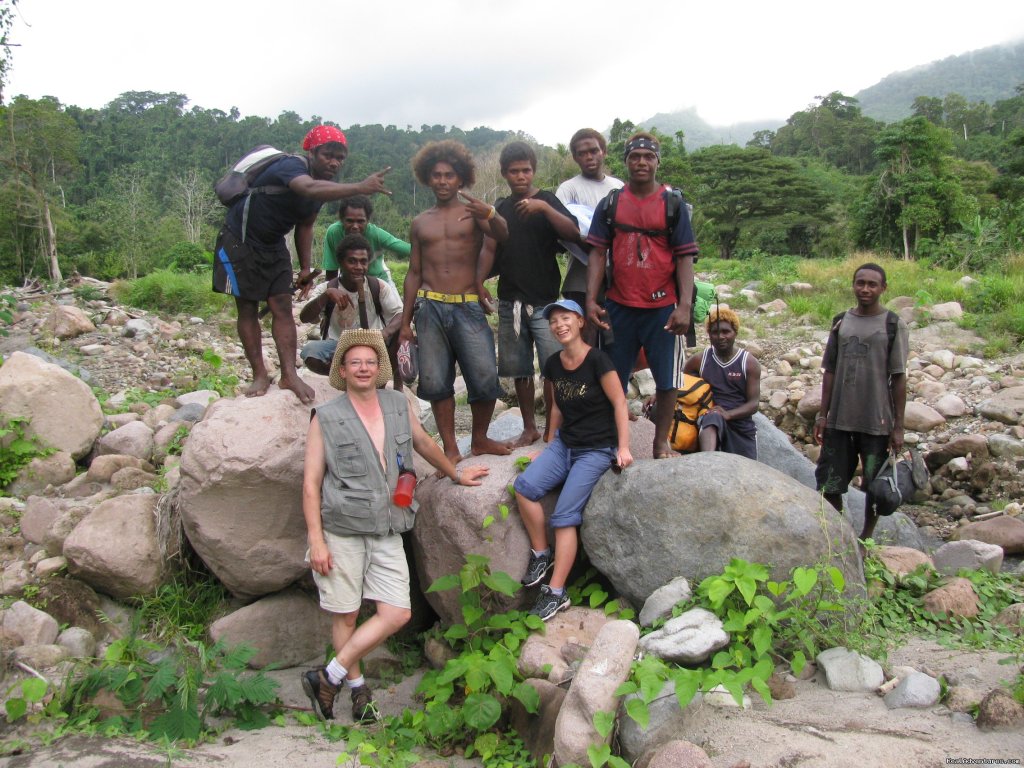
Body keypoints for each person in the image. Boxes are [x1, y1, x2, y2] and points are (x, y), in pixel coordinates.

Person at [301, 328, 488, 721]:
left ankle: (327, 675)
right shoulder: (326, 417)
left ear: (379, 368)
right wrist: (316, 541)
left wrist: (455, 474)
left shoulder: (396, 403)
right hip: (343, 529)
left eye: (370, 362)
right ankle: (356, 692)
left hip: (388, 526)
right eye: (356, 362)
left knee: (397, 612)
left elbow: (422, 443)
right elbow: (311, 484)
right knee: (346, 614)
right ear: (344, 370)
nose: (364, 368)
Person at [213, 125, 391, 404]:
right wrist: (360, 187)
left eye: (340, 158)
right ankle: (259, 374)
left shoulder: (320, 190)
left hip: (274, 246)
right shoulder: (291, 165)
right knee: (247, 306)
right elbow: (305, 187)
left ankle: (288, 374)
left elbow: (305, 226)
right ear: (312, 152)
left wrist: (305, 269)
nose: (334, 162)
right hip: (241, 241)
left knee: (282, 306)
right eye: (328, 155)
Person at [513, 299, 632, 620]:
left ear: (580, 322)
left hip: (596, 449)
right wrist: (550, 441)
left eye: (565, 318)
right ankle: (541, 552)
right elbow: (556, 406)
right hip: (565, 444)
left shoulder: (599, 361)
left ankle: (556, 591)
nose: (559, 325)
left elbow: (620, 403)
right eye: (553, 321)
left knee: (564, 515)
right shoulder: (553, 364)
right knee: (523, 487)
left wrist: (623, 447)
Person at [585, 132, 699, 458]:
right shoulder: (612, 204)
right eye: (635, 157)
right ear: (626, 161)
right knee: (612, 377)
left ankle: (660, 441)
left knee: (667, 379)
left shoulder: (672, 204)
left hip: (662, 308)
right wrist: (591, 300)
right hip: (619, 306)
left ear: (657, 161)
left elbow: (684, 257)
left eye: (648, 157)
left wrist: (685, 306)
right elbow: (596, 253)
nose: (641, 162)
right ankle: (612, 440)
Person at [399, 139, 511, 465]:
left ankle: (479, 439)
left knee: (485, 375)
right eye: (437, 175)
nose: (443, 181)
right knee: (435, 380)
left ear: (461, 178)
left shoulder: (474, 213)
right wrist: (405, 322)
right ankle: (450, 448)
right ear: (427, 178)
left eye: (449, 175)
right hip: (430, 306)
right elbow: (414, 272)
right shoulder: (421, 222)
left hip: (468, 304)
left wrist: (489, 211)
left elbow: (502, 233)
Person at [477, 141, 580, 446]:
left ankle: (553, 425)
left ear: (533, 171)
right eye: (514, 171)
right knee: (519, 368)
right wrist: (479, 281)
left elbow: (573, 232)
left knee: (552, 367)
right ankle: (529, 427)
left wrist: (545, 208)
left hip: (546, 302)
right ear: (504, 174)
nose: (521, 176)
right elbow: (489, 247)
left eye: (526, 170)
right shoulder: (501, 208)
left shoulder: (547, 200)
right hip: (510, 301)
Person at [813, 263, 909, 543]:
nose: (865, 289)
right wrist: (822, 415)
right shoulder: (841, 321)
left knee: (874, 486)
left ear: (883, 288)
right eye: (860, 283)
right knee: (829, 480)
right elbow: (829, 370)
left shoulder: (892, 324)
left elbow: (899, 377)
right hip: (840, 419)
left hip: (875, 421)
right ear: (853, 285)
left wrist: (898, 426)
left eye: (872, 284)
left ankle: (865, 538)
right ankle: (838, 535)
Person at [298, 233, 403, 384]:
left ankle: (390, 385)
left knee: (402, 336)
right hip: (340, 345)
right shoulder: (327, 288)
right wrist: (326, 296)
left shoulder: (378, 286)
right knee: (310, 353)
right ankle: (347, 380)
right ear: (341, 262)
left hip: (376, 343)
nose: (359, 267)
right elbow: (304, 318)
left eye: (363, 262)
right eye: (352, 262)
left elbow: (400, 314)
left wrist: (384, 333)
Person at [555, 128, 624, 335]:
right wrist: (594, 242)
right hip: (580, 279)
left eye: (593, 151)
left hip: (618, 277)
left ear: (603, 151)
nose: (589, 157)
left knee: (616, 339)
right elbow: (561, 231)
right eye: (582, 153)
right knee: (585, 340)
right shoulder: (568, 189)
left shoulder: (618, 186)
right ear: (575, 157)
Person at [682, 307, 761, 459]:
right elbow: (681, 386)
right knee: (712, 416)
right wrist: (657, 396)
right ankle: (709, 460)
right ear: (709, 335)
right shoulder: (699, 360)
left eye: (726, 332)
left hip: (740, 423)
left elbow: (753, 404)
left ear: (735, 333)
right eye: (715, 332)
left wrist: (728, 415)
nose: (720, 337)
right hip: (709, 419)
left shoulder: (749, 363)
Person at [321, 195, 408, 285]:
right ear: (342, 220)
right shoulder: (334, 233)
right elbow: (331, 272)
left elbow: (408, 249)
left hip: (379, 281)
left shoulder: (375, 234)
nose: (355, 226)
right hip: (349, 283)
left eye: (360, 221)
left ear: (368, 220)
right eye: (350, 221)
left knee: (391, 299)